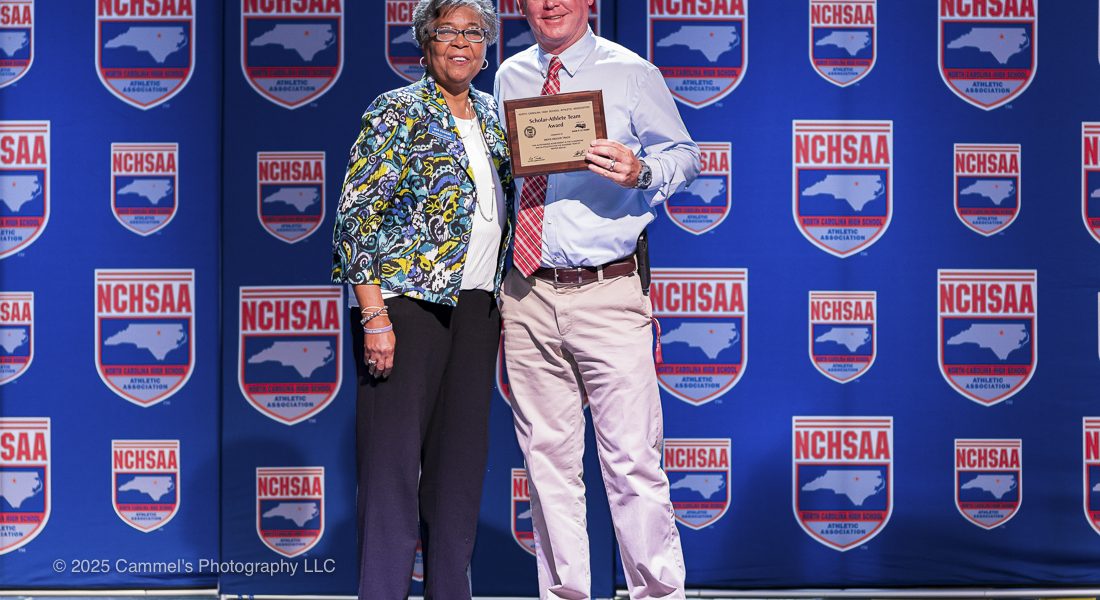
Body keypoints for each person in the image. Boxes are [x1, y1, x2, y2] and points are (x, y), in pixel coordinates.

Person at [494, 1, 701, 598]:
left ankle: (657, 595)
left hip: (608, 291)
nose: (550, 4)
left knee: (633, 461)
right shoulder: (509, 75)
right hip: (527, 293)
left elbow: (686, 155)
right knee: (547, 465)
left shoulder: (630, 72)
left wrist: (641, 172)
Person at [330, 1, 512, 598]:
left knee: (458, 476)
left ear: (487, 45)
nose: (460, 43)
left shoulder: (496, 117)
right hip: (405, 310)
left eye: (473, 32)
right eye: (446, 31)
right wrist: (374, 316)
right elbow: (356, 220)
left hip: (478, 310)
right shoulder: (397, 109)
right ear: (425, 41)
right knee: (391, 472)